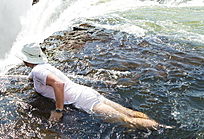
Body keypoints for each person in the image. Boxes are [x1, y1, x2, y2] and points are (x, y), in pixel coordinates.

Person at [16, 42, 171, 130]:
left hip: (85, 101)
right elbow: (37, 77)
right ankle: (158, 123)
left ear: (26, 59)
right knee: (129, 113)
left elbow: (58, 84)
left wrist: (58, 110)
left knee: (127, 121)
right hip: (88, 93)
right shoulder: (41, 67)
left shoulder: (38, 70)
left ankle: (165, 129)